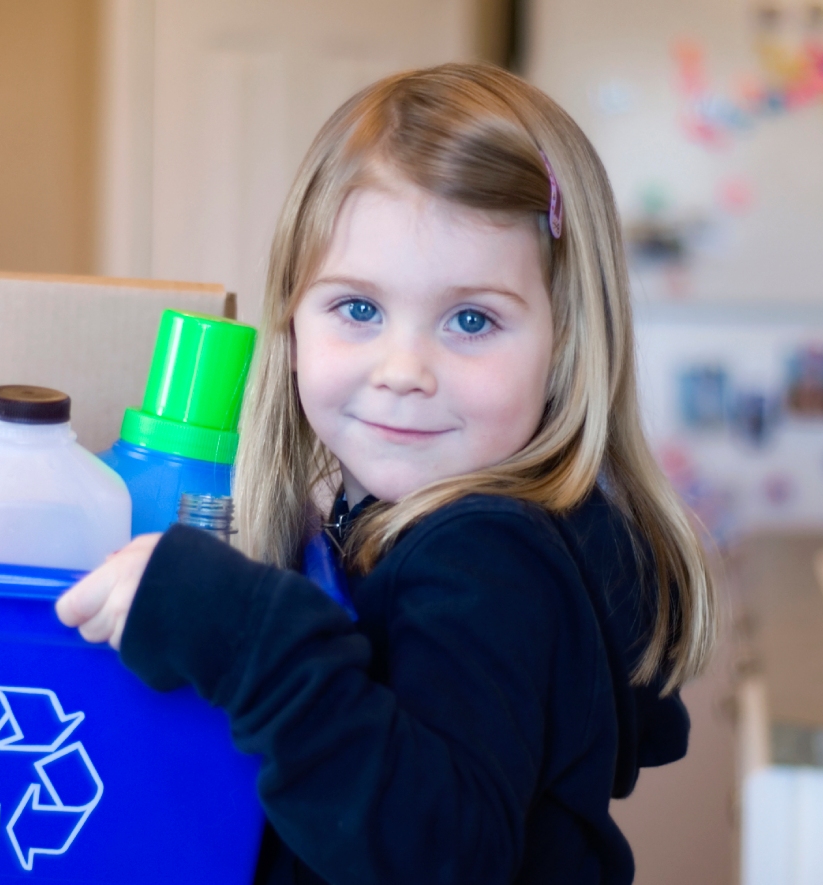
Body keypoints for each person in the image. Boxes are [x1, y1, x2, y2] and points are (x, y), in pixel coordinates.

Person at [56, 61, 716, 885]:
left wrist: (241, 629)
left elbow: (437, 853)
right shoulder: (431, 528)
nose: (404, 370)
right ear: (292, 325)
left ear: (565, 346)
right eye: (359, 309)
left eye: (470, 319)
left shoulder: (485, 557)